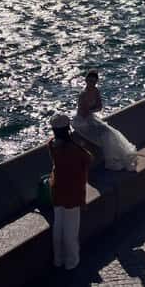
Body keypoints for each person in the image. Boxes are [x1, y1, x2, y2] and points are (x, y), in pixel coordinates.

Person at [48, 114, 92, 271]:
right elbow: (88, 159)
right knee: (71, 230)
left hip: (57, 189)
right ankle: (71, 262)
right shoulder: (75, 149)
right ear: (68, 129)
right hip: (72, 192)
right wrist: (79, 142)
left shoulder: (51, 144)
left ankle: (58, 259)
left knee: (58, 225)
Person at [71, 70, 138, 171]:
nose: (92, 84)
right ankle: (111, 160)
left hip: (90, 118)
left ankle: (116, 157)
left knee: (111, 132)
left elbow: (99, 107)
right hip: (81, 122)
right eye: (90, 81)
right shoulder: (83, 94)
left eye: (94, 82)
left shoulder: (96, 91)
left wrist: (91, 110)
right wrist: (92, 110)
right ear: (86, 80)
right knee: (106, 133)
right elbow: (83, 113)